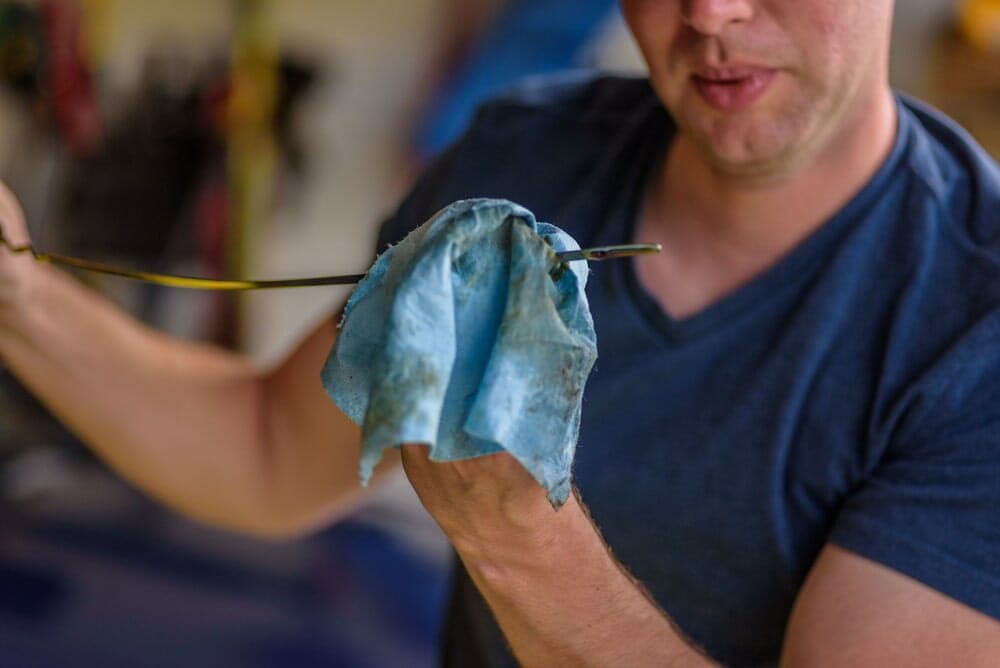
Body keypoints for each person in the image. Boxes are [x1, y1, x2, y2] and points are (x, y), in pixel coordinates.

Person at [1, 0, 999, 664]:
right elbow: (268, 450)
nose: (710, 15)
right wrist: (17, 296)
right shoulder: (526, 152)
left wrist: (517, 541)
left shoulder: (973, 322)